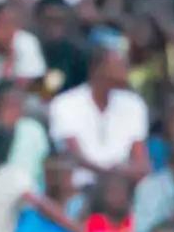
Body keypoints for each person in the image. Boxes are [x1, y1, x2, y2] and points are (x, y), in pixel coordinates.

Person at [49, 39, 151, 184]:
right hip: (82, 185)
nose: (125, 69)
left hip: (123, 185)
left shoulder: (134, 104)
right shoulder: (64, 104)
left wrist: (120, 175)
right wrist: (109, 175)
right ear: (96, 68)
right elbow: (74, 155)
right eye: (118, 65)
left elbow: (141, 160)